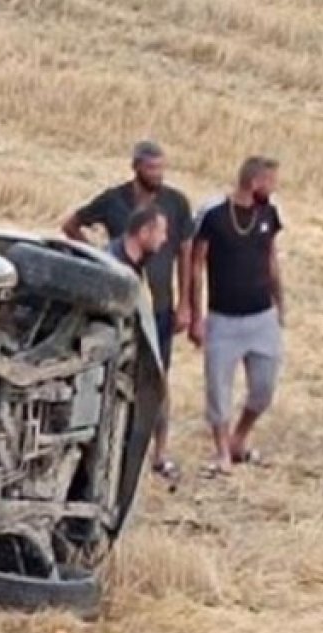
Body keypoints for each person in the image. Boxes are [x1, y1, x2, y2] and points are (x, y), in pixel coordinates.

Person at [62, 140, 193, 480]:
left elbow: (186, 253)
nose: (158, 175)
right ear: (136, 167)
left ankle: (159, 453)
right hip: (124, 305)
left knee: (159, 380)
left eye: (162, 168)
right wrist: (98, 262)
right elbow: (70, 225)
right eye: (152, 168)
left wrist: (187, 302)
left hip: (160, 306)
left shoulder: (175, 203)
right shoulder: (114, 201)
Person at [188, 156, 285, 477]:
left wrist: (280, 301)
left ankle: (239, 437)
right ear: (255, 182)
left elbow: (271, 257)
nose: (274, 187)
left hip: (262, 315)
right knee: (218, 387)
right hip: (223, 318)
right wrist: (196, 314)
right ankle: (220, 451)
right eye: (271, 181)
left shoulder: (269, 214)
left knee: (264, 387)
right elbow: (197, 264)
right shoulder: (214, 216)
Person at [108, 205, 169, 278]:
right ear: (144, 232)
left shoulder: (138, 263)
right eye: (161, 232)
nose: (164, 238)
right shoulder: (111, 266)